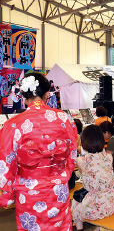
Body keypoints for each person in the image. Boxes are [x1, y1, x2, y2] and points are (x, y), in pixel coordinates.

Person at [0, 72, 77, 230]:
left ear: (23, 95)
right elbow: (72, 154)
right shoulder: (64, 119)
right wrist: (64, 175)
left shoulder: (13, 124)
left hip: (27, 193)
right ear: (47, 94)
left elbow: (5, 161)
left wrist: (7, 193)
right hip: (58, 191)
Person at [71, 125, 114, 231]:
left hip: (94, 205)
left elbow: (87, 178)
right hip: (111, 201)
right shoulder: (108, 157)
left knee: (75, 201)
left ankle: (79, 229)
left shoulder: (81, 160)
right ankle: (97, 229)